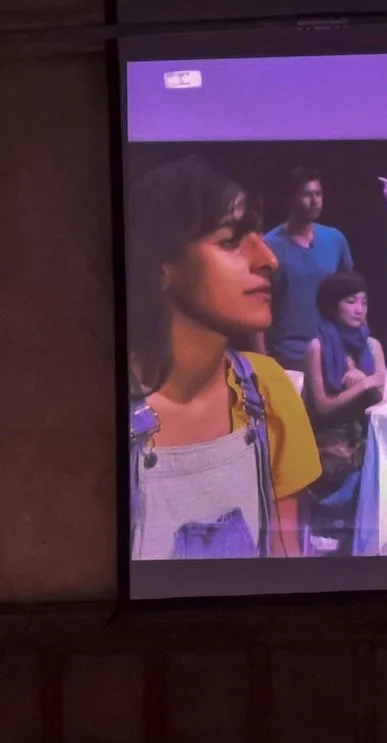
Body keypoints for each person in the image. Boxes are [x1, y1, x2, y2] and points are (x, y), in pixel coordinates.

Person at [127, 156, 322, 559]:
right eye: (231, 241)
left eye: (259, 238)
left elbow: (285, 563)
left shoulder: (268, 390)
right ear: (161, 267)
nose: (269, 260)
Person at [300, 270, 386, 552]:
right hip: (327, 433)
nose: (359, 309)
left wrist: (367, 386)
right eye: (351, 301)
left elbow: (382, 397)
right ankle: (327, 525)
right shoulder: (317, 347)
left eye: (364, 302)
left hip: (365, 431)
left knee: (383, 457)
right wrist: (361, 387)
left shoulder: (372, 346)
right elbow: (323, 406)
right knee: (337, 458)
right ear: (332, 305)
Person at [261, 165, 357, 373]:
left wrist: (355, 347)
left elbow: (352, 296)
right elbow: (256, 305)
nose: (315, 201)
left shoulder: (335, 239)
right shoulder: (268, 246)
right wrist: (262, 362)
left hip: (331, 353)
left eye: (318, 194)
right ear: (290, 200)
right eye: (307, 195)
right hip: (287, 357)